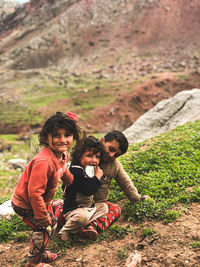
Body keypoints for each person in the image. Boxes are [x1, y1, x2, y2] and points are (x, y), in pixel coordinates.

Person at [11, 111, 80, 267]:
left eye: (67, 135)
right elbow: (34, 193)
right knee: (44, 228)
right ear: (46, 137)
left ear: (73, 137)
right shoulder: (44, 162)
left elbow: (63, 168)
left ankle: (40, 251)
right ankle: (33, 262)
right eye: (56, 135)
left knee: (52, 222)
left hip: (42, 200)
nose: (62, 140)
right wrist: (41, 216)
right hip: (26, 203)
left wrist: (70, 180)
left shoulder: (63, 155)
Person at [53, 130, 149, 241]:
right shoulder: (83, 158)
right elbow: (70, 181)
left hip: (95, 205)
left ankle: (91, 227)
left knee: (114, 209)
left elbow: (125, 183)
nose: (112, 155)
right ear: (102, 140)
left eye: (116, 155)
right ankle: (58, 207)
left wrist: (137, 199)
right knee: (61, 217)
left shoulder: (114, 165)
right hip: (77, 205)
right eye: (111, 149)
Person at [59, 135, 108, 241]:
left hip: (88, 207)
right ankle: (65, 230)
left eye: (97, 157)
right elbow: (87, 190)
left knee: (104, 207)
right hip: (74, 210)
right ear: (79, 155)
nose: (94, 160)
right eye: (89, 156)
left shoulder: (87, 168)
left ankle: (83, 228)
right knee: (82, 218)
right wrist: (97, 177)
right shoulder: (76, 171)